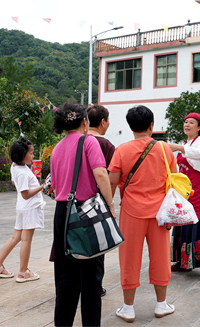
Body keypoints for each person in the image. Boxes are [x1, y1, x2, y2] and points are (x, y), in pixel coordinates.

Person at [108, 105, 177, 323]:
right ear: (151, 125)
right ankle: (161, 304)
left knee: (129, 259)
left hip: (131, 212)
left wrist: (110, 204)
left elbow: (111, 180)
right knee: (161, 257)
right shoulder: (165, 149)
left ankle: (128, 308)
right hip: (160, 214)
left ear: (131, 127)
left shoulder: (122, 150)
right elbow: (173, 178)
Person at [49, 102, 115, 326]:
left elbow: (56, 187)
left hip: (62, 214)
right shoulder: (88, 141)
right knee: (91, 280)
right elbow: (101, 174)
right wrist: (111, 206)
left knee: (65, 278)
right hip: (87, 213)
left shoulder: (57, 149)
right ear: (85, 122)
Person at [167, 112, 200, 274]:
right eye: (185, 122)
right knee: (182, 223)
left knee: (197, 223)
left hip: (198, 190)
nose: (187, 125)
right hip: (184, 191)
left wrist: (179, 148)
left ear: (199, 127)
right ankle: (184, 262)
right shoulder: (186, 143)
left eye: (191, 122)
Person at [0, 138, 44, 282]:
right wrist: (43, 186)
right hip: (29, 208)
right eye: (30, 153)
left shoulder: (15, 167)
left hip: (21, 208)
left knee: (16, 238)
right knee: (26, 240)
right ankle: (23, 272)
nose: (32, 156)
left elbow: (15, 182)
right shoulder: (23, 172)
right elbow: (26, 194)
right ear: (22, 155)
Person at [86, 104, 115, 298]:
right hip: (97, 203)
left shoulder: (75, 141)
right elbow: (109, 178)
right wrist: (110, 203)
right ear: (103, 122)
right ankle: (95, 286)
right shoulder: (105, 145)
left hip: (73, 202)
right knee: (97, 247)